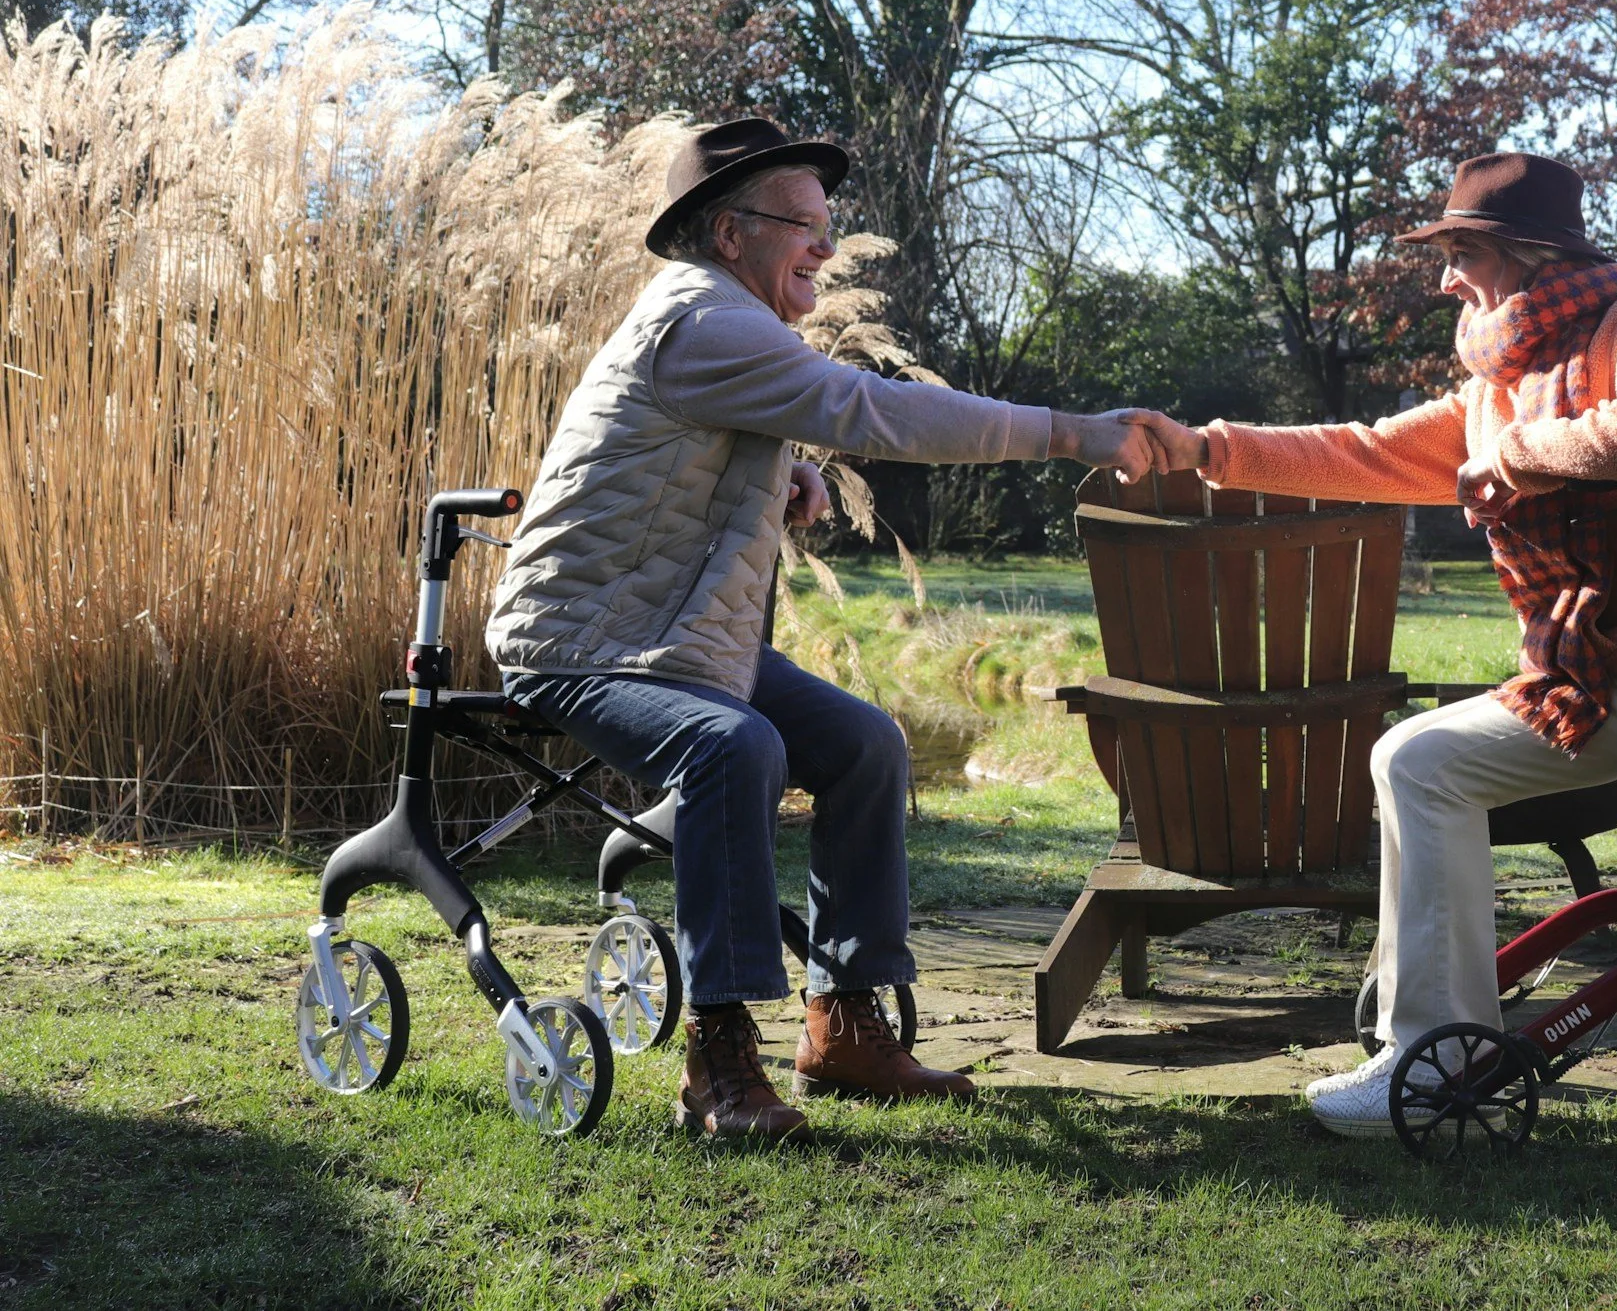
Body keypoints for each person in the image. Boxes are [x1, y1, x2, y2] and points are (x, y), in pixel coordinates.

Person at [487, 118, 1181, 1142]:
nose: (822, 244)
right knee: (736, 745)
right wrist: (1069, 432)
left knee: (864, 743)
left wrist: (781, 471)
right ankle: (718, 1058)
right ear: (730, 234)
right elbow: (872, 410)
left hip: (676, 638)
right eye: (800, 224)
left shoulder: (723, 321)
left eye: (827, 223)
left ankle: (844, 1023)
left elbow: (686, 443)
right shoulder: (705, 319)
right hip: (582, 643)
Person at [1140, 153, 1617, 1137]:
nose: (1446, 278)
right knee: (1414, 756)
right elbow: (1366, 450)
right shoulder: (1508, 376)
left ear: (1528, 252)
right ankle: (1426, 1013)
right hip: (1614, 671)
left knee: (1419, 760)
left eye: (1462, 253)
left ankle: (1433, 1051)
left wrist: (1518, 458)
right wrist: (1211, 451)